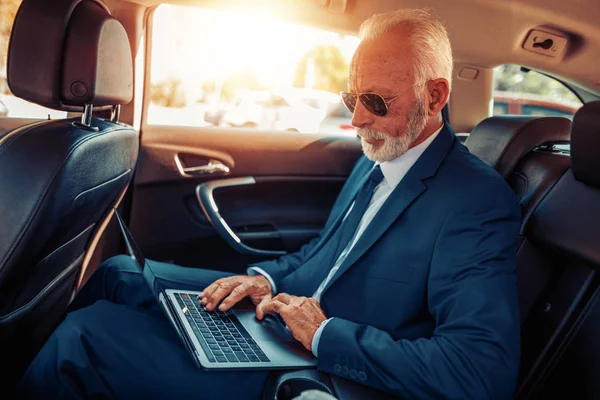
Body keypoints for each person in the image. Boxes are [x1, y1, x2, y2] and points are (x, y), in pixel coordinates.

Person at [18, 8, 521, 400]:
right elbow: (323, 256)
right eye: (352, 100)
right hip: (278, 322)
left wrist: (325, 336)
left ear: (435, 97)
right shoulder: (378, 155)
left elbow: (479, 372)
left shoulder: (475, 201)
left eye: (377, 101)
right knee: (120, 273)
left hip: (318, 375)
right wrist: (266, 281)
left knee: (83, 340)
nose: (358, 120)